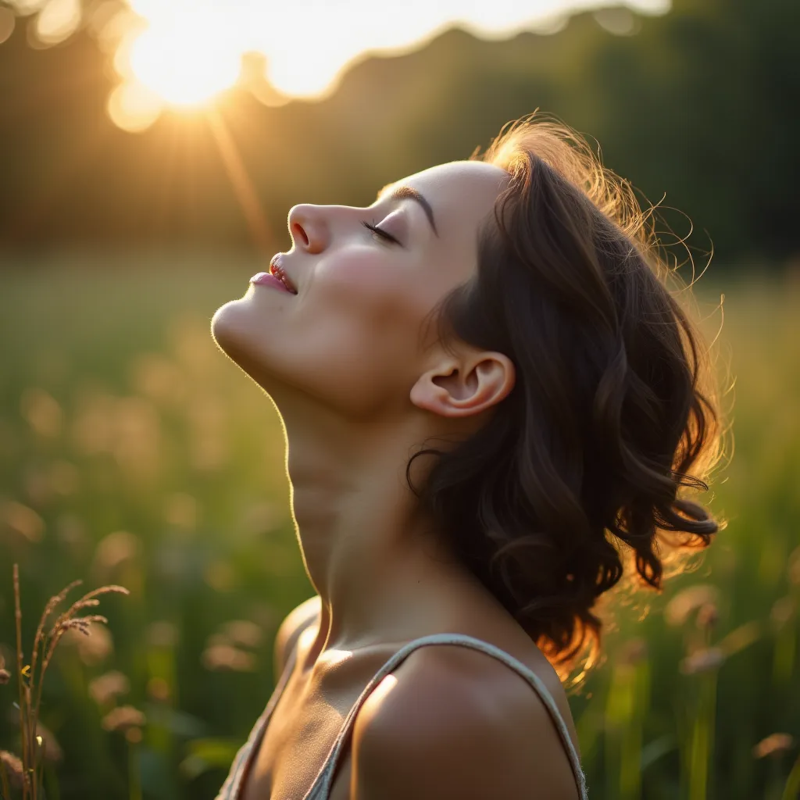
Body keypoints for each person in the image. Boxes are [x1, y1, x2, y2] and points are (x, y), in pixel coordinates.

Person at [210, 113, 722, 800]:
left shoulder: (442, 714)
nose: (306, 216)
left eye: (387, 231)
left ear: (460, 378)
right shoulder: (306, 640)